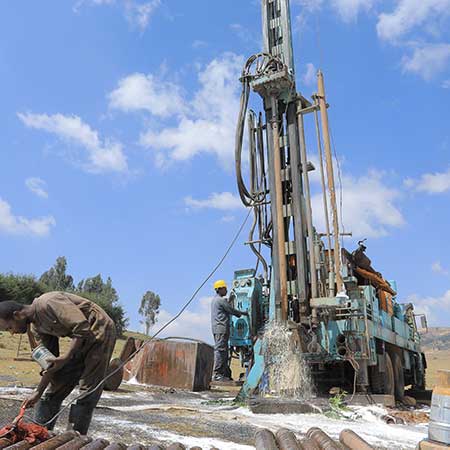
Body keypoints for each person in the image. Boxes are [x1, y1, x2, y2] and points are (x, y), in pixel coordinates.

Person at [0, 291, 116, 435]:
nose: (12, 332)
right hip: (80, 338)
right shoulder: (36, 327)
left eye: (9, 327)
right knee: (57, 385)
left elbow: (81, 327)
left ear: (17, 315)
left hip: (99, 329)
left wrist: (67, 357)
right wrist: (38, 392)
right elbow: (49, 362)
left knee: (88, 388)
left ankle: (76, 438)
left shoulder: (49, 302)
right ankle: (40, 434)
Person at [211, 280, 247, 381]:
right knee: (220, 350)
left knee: (224, 351)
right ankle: (217, 374)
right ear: (220, 289)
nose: (226, 290)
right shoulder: (220, 301)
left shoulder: (215, 300)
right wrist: (243, 313)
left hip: (218, 328)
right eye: (225, 288)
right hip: (221, 328)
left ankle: (225, 374)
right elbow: (231, 310)